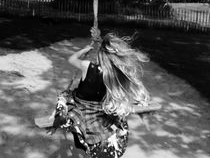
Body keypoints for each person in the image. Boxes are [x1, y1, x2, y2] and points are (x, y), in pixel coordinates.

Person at [48, 28, 150, 158]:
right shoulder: (112, 76)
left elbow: (71, 59)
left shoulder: (87, 65)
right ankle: (109, 138)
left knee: (64, 95)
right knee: (117, 117)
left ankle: (61, 114)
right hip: (98, 110)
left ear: (100, 54)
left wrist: (84, 50)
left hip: (81, 109)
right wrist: (99, 38)